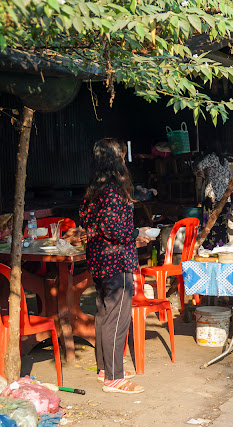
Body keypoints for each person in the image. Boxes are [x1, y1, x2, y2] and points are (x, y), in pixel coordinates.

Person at [80, 138, 153, 394]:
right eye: (121, 155)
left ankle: (104, 370)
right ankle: (114, 378)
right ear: (115, 159)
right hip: (115, 259)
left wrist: (132, 233)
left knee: (103, 314)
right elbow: (112, 227)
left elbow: (94, 224)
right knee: (117, 317)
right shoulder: (112, 188)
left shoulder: (94, 189)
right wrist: (135, 233)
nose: (124, 159)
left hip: (100, 258)